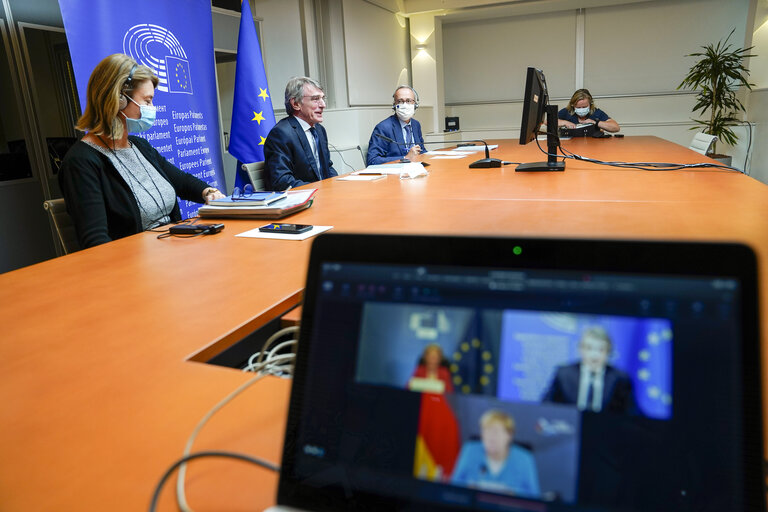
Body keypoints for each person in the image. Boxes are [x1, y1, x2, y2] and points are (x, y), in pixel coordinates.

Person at [59, 54, 224, 249]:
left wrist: (208, 191)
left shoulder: (139, 146)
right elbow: (96, 242)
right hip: (133, 268)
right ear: (118, 99)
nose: (151, 108)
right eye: (147, 101)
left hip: (173, 253)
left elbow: (181, 182)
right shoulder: (81, 162)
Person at [264, 76, 337, 190]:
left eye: (323, 98)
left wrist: (337, 186)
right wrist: (320, 190)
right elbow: (282, 181)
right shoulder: (281, 134)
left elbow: (327, 167)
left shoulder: (319, 130)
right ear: (296, 104)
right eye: (315, 99)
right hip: (299, 202)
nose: (323, 105)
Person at [543, 326, 636, 414]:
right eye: (589, 348)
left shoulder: (620, 378)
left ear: (608, 352)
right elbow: (545, 407)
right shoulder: (563, 374)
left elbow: (630, 413)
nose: (594, 355)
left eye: (600, 349)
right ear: (580, 349)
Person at [451, 410, 540, 498]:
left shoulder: (524, 458)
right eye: (486, 431)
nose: (491, 437)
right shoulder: (470, 450)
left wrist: (513, 495)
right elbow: (453, 488)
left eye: (496, 432)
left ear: (509, 436)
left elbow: (534, 498)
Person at [366, 85, 427, 166]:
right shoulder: (383, 127)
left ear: (415, 105)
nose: (405, 105)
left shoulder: (416, 125)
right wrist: (405, 158)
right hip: (395, 175)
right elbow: (372, 160)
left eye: (409, 101)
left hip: (416, 171)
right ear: (394, 105)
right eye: (400, 101)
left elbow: (421, 151)